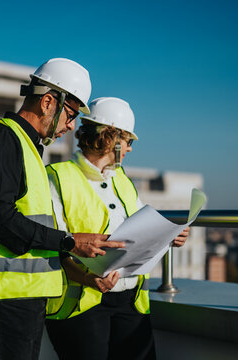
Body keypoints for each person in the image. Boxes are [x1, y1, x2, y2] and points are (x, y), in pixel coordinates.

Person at [0, 59, 126, 360]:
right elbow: (1, 220)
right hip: (3, 296)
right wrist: (70, 241)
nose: (72, 126)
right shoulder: (1, 139)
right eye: (71, 114)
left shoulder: (26, 146)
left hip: (22, 296)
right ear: (48, 102)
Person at [44, 97, 190, 360]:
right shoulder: (58, 176)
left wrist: (170, 236)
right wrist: (88, 278)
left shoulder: (122, 180)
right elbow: (54, 247)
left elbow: (143, 232)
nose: (131, 149)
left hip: (131, 302)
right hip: (82, 304)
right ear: (109, 137)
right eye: (129, 141)